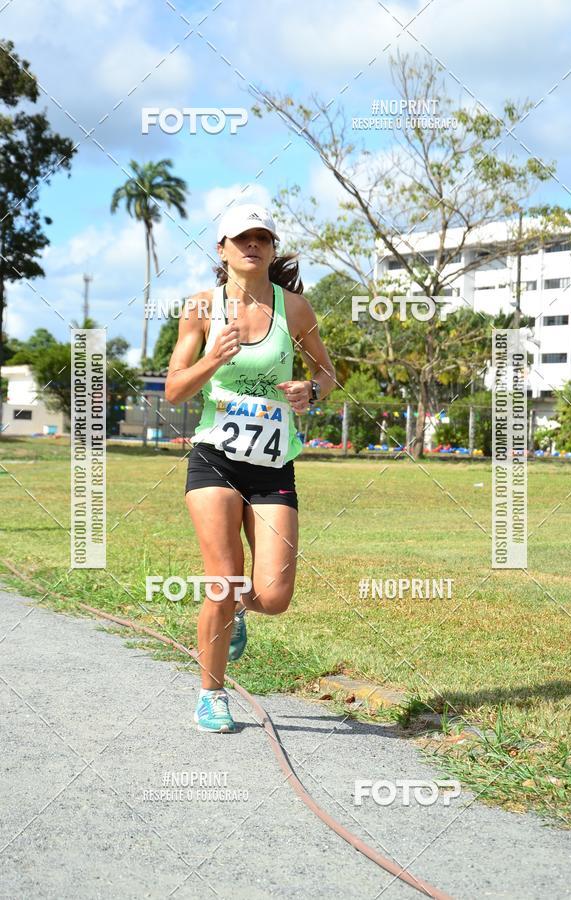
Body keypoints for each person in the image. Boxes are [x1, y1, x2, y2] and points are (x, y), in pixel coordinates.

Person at [165, 203, 336, 732]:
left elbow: (328, 374)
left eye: (262, 237)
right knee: (222, 579)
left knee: (275, 596)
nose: (253, 245)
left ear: (272, 247)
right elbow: (174, 390)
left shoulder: (296, 310)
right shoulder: (200, 307)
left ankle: (235, 611)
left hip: (272, 463)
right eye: (242, 238)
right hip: (215, 457)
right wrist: (213, 358)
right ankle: (211, 694)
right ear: (222, 250)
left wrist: (311, 390)